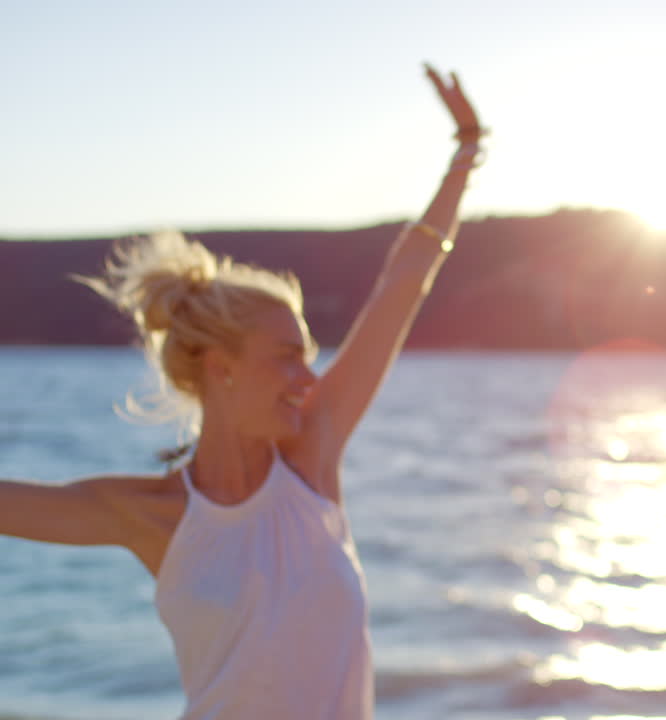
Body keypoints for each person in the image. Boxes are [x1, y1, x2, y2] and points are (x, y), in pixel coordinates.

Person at [0, 64, 483, 719]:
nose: (309, 379)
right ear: (220, 367)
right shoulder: (153, 516)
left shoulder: (313, 457)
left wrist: (467, 151)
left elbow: (406, 280)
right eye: (287, 358)